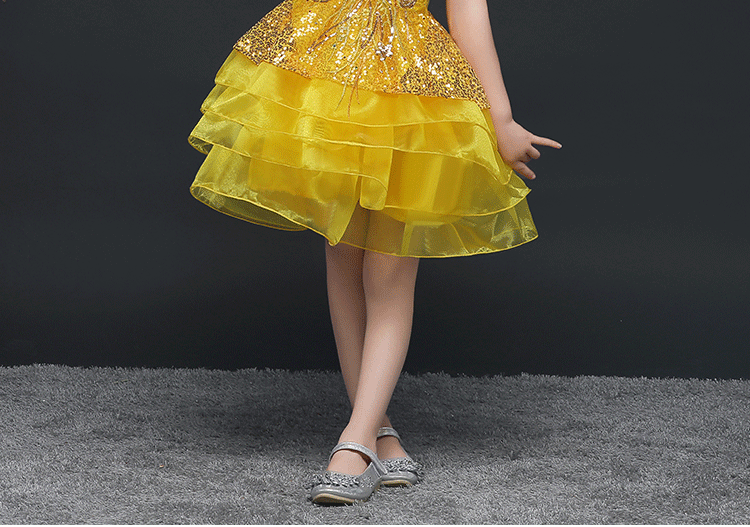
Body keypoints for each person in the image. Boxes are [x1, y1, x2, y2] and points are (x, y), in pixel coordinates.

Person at [188, 0, 560, 505]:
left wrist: (502, 119)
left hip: (412, 90)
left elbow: (468, 13)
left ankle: (356, 442)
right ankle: (377, 430)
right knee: (343, 255)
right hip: (330, 78)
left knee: (389, 271)